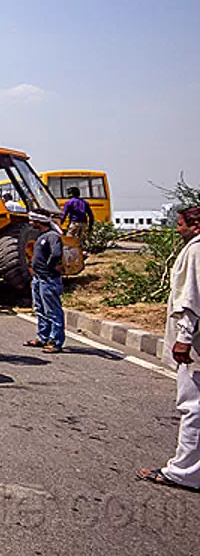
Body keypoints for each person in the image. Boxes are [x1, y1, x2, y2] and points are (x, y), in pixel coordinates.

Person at [138, 205, 200, 490]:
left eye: (180, 224)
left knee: (192, 406)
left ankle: (184, 471)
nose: (177, 229)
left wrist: (184, 338)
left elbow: (190, 299)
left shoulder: (195, 251)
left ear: (195, 225)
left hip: (195, 344)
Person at [26, 212, 65, 353]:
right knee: (40, 310)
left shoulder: (52, 236)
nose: (30, 223)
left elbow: (56, 254)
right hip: (39, 278)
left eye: (32, 220)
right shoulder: (41, 237)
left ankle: (56, 341)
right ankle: (43, 337)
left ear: (38, 221)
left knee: (52, 311)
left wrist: (48, 267)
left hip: (48, 279)